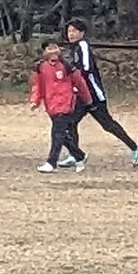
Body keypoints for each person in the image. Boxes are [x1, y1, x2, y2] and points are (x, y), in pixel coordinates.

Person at [58, 18, 138, 168]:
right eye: (69, 31)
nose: (71, 34)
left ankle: (135, 147)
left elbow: (85, 68)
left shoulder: (83, 45)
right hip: (81, 94)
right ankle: (75, 155)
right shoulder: (74, 48)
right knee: (70, 122)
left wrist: (71, 76)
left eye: (74, 31)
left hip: (92, 94)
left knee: (107, 124)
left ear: (82, 33)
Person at [30, 38, 92, 173]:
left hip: (65, 103)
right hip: (51, 104)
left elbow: (79, 82)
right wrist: (35, 100)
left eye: (55, 48)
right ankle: (79, 156)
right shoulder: (41, 67)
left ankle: (51, 162)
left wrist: (87, 98)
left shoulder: (67, 66)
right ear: (44, 52)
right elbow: (38, 85)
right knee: (62, 135)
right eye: (49, 48)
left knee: (57, 133)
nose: (53, 51)